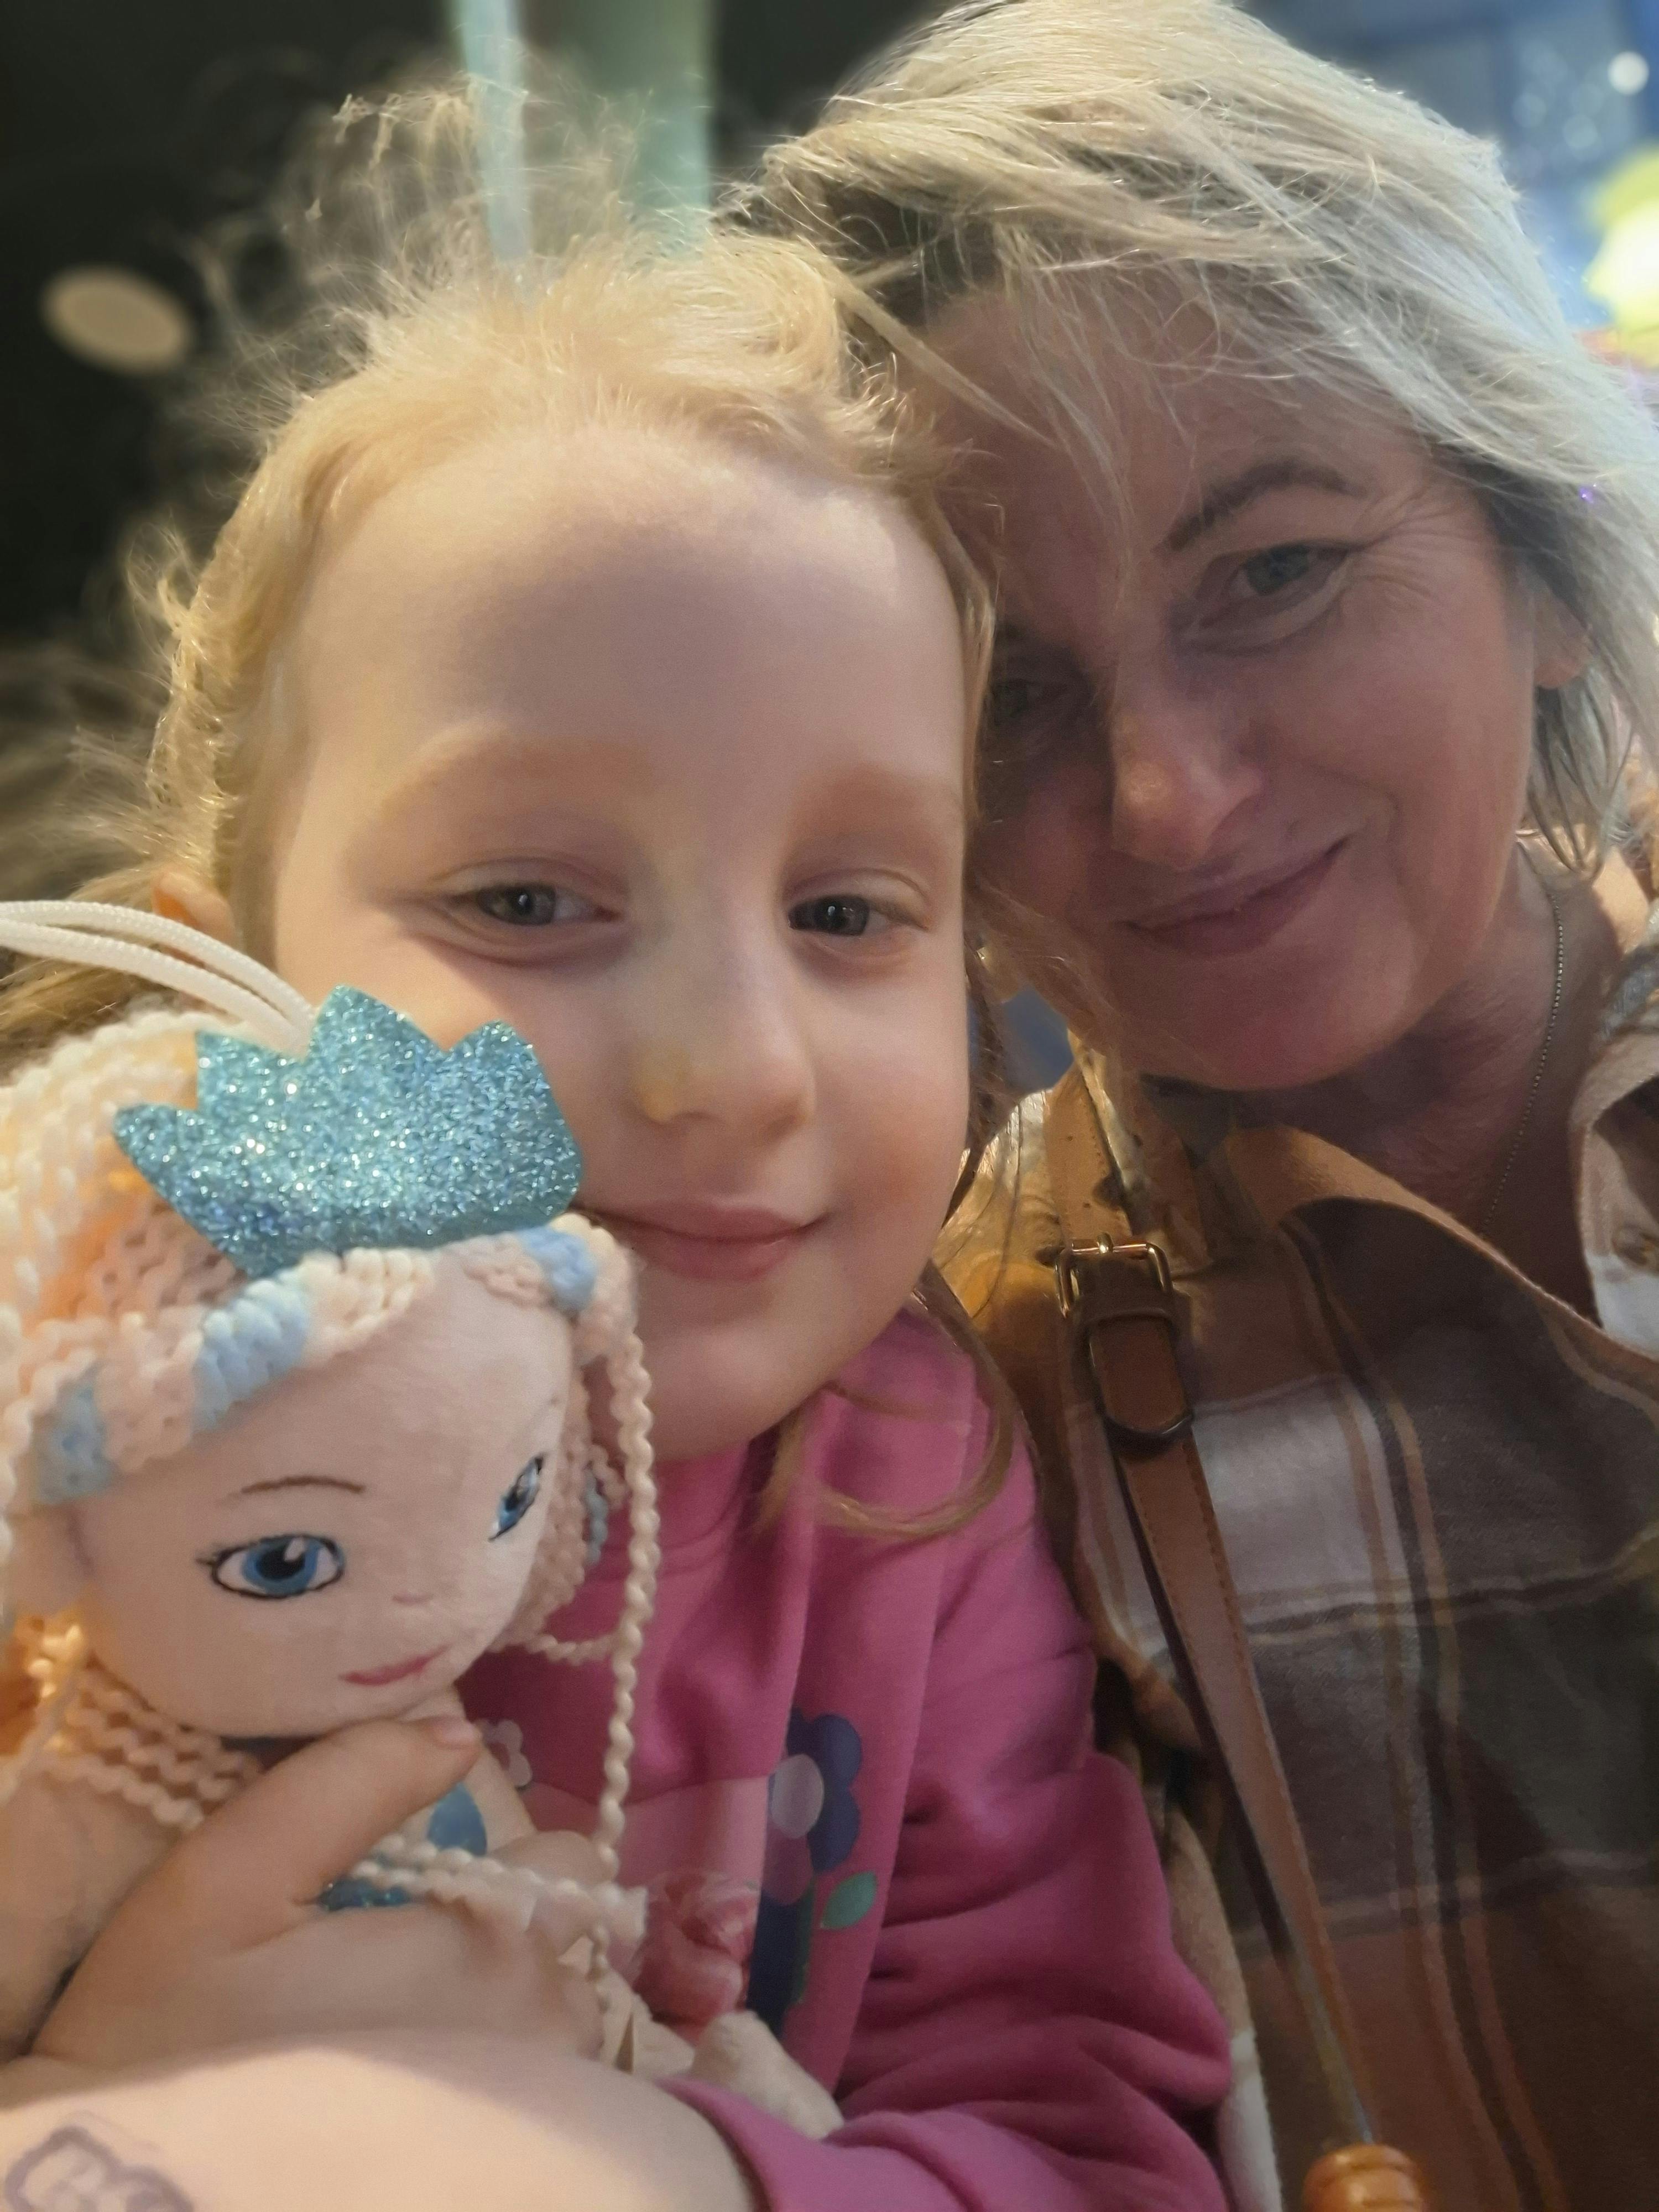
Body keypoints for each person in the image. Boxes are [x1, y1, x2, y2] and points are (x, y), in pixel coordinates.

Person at [0, 80, 1230, 2212]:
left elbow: (1089, 2146)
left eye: (847, 912)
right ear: (225, 989)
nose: (730, 1070)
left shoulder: (919, 1500)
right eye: (527, 900)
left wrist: (637, 2167)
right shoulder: (66, 1444)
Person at [745, 4, 1659, 2207]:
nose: (1167, 800)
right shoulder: (953, 1424)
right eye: (1011, 691)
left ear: (1542, 567)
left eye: (1275, 573)